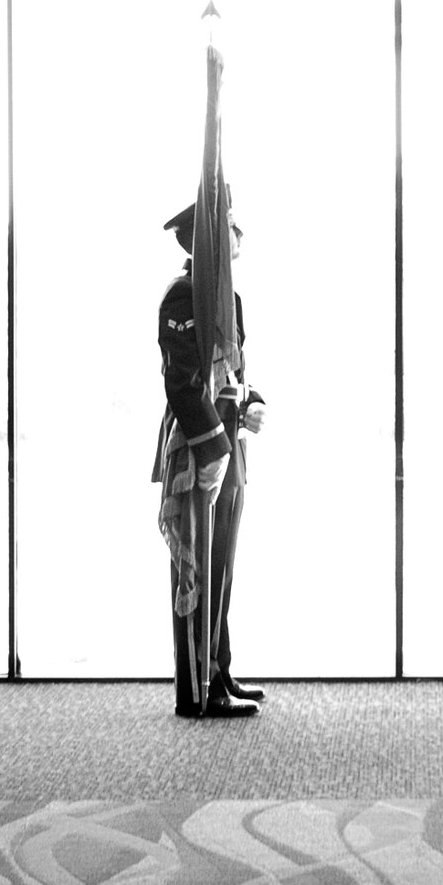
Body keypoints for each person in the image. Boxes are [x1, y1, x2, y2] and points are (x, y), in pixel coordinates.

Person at [154, 204, 268, 719]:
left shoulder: (229, 299)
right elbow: (181, 380)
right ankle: (198, 684)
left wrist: (254, 401)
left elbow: (234, 370)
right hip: (202, 444)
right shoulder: (184, 295)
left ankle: (218, 668)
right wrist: (212, 447)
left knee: (222, 561)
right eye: (226, 228)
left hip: (229, 438)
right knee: (197, 565)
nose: (238, 233)